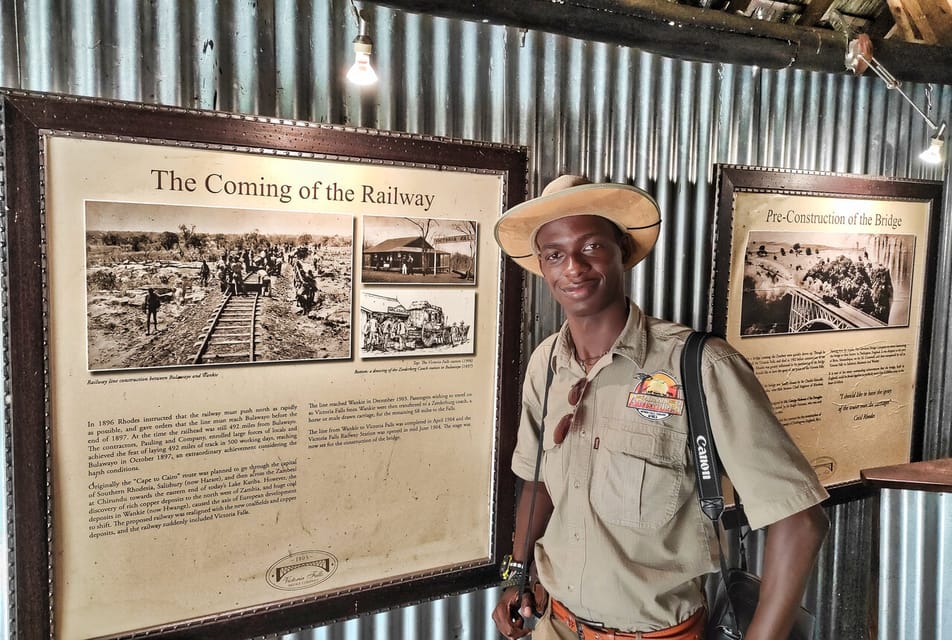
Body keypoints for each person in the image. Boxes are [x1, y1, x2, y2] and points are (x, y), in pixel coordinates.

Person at [491, 175, 829, 640]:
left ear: (622, 251)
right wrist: (517, 575)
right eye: (554, 254)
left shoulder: (700, 367)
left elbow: (800, 518)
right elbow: (536, 482)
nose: (572, 267)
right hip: (555, 625)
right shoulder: (547, 364)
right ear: (543, 267)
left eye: (591, 247)